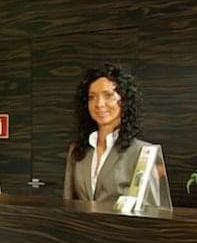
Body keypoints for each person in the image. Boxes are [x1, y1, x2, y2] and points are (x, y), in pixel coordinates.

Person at [63, 63, 150, 203]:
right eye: (92, 97)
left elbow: (150, 208)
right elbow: (68, 203)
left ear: (125, 100)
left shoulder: (143, 152)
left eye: (108, 95)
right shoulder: (77, 150)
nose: (99, 104)